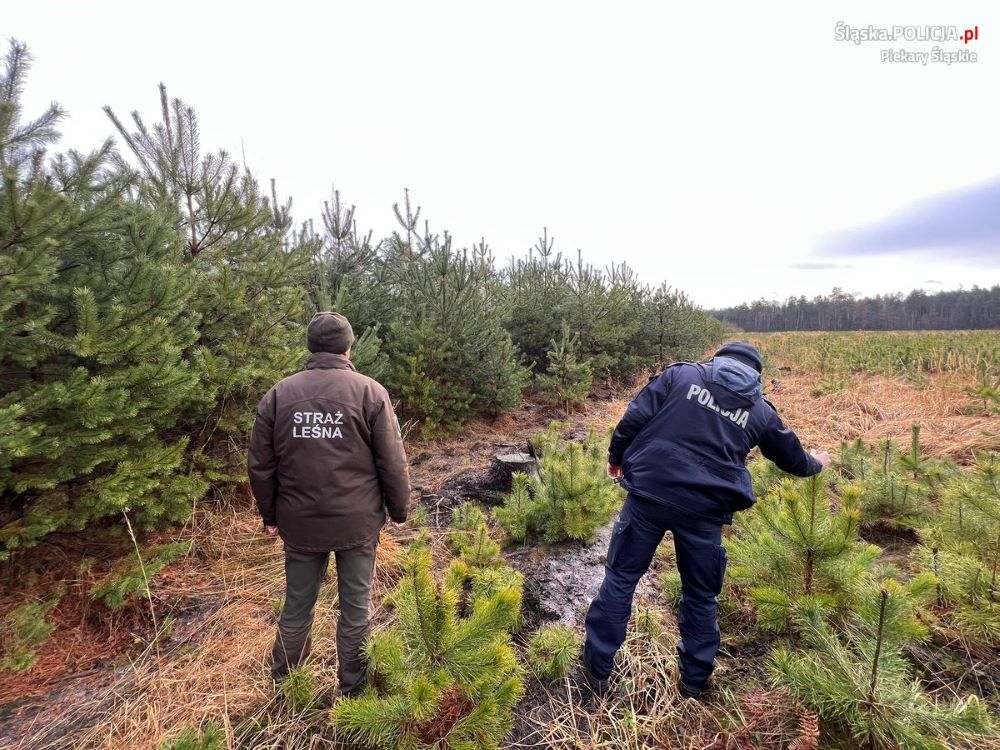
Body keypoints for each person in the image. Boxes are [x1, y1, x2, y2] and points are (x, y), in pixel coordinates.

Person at [582, 341, 830, 699]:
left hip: (650, 495)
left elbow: (632, 420)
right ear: (756, 375)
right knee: (700, 596)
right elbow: (794, 459)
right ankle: (695, 684)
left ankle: (596, 670)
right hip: (705, 512)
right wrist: (818, 462)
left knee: (621, 578)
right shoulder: (759, 411)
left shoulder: (680, 376)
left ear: (718, 361)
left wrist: (616, 458)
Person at [248, 311, 410, 697]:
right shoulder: (371, 392)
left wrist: (270, 515)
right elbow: (392, 459)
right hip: (357, 524)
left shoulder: (279, 394)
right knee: (356, 610)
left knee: (297, 606)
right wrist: (400, 510)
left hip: (300, 524)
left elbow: (260, 464)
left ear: (310, 346)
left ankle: (286, 687)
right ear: (348, 346)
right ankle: (353, 693)